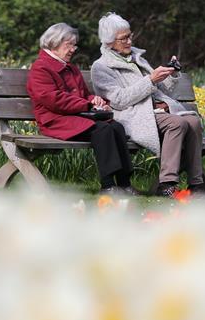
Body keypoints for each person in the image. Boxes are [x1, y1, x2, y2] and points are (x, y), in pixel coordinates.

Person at [91, 13, 205, 196]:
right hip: (133, 115)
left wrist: (171, 73)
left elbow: (162, 89)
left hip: (156, 110)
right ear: (109, 42)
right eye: (124, 38)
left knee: (193, 121)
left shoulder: (136, 58)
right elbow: (119, 100)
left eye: (130, 35)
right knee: (177, 124)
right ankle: (167, 183)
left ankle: (196, 183)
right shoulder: (101, 67)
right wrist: (150, 81)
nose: (129, 41)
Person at [27, 22, 139, 195]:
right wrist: (87, 104)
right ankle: (108, 186)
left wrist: (93, 99)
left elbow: (83, 95)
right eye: (69, 45)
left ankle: (124, 184)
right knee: (102, 130)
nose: (73, 49)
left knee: (116, 127)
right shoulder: (41, 68)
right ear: (54, 43)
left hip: (76, 117)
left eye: (74, 45)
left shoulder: (71, 68)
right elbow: (54, 100)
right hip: (55, 120)